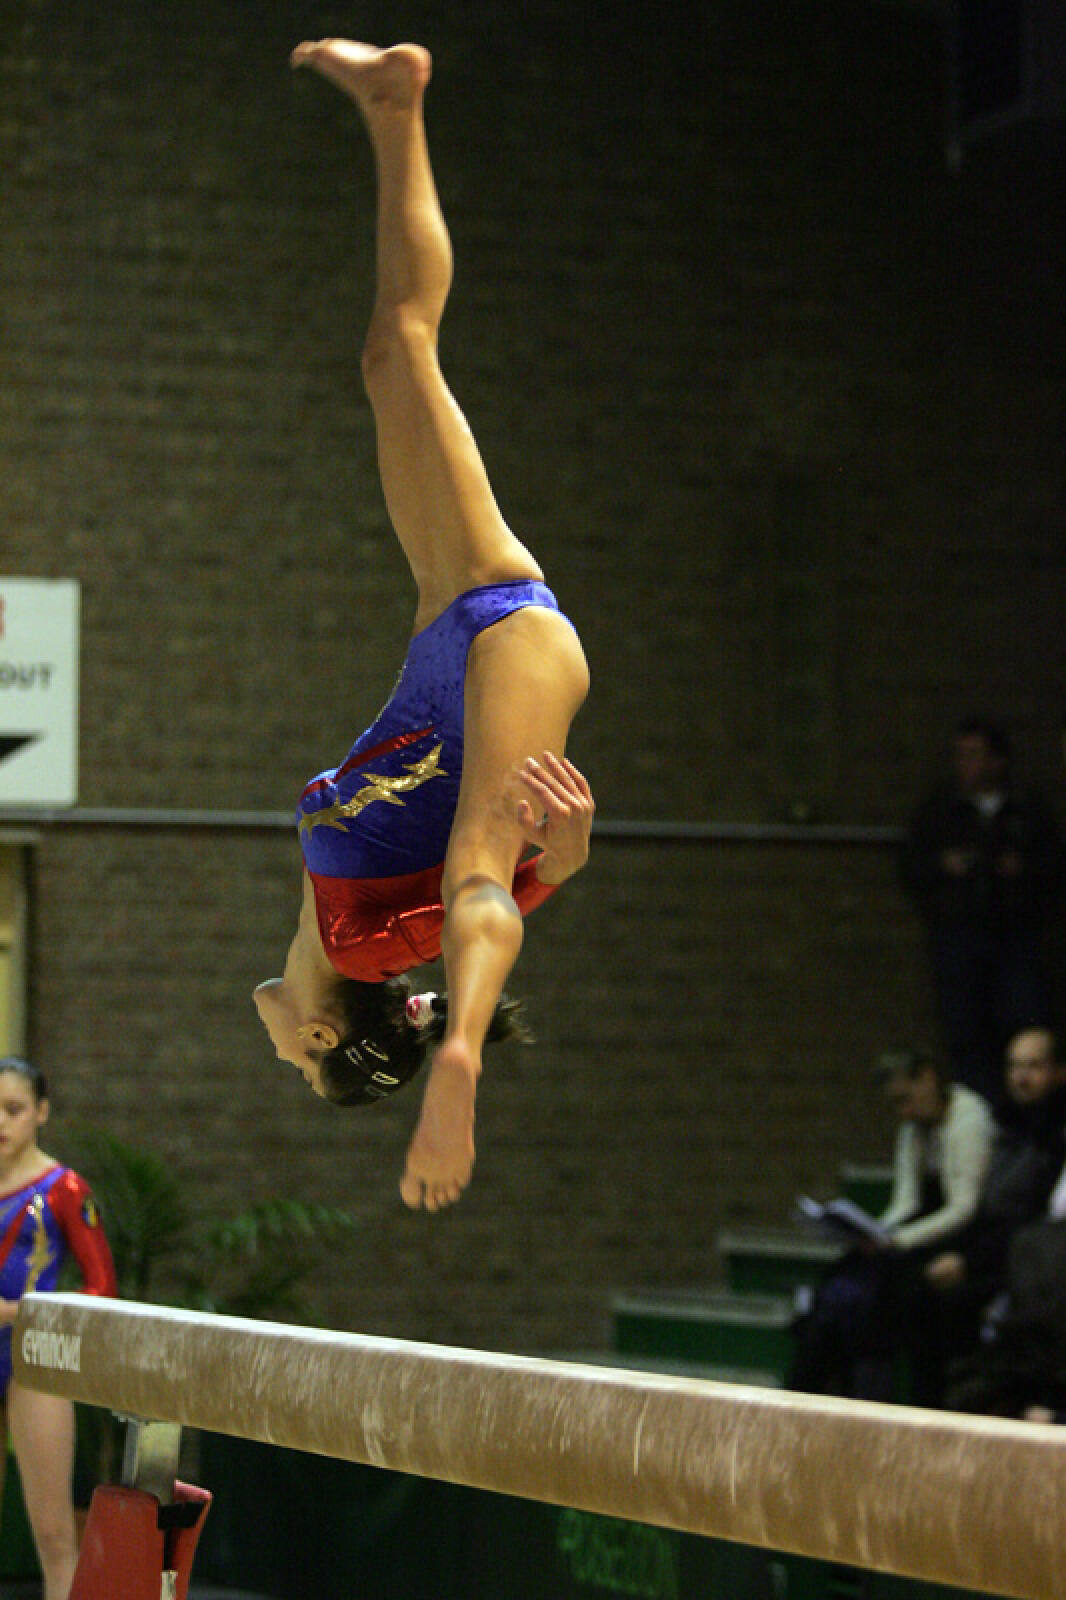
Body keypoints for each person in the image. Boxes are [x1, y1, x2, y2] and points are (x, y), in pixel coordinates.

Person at [253, 41, 593, 1215]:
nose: (279, 1052)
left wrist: (561, 862)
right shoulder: (370, 948)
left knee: (394, 351)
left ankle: (393, 106)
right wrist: (454, 1047)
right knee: (478, 866)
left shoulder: (336, 921)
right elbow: (480, 895)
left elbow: (523, 875)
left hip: (455, 626)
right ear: (323, 1037)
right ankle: (461, 1070)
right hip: (508, 649)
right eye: (301, 1069)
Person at [789, 1048, 995, 1404]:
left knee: (887, 1295)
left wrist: (897, 1241)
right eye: (896, 1103)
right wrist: (872, 1233)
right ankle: (808, 1393)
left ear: (928, 1079)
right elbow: (905, 1202)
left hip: (964, 1238)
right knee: (840, 1279)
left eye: (906, 1099)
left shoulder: (969, 1118)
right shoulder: (912, 1130)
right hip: (918, 1232)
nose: (904, 1112)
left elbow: (963, 1207)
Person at [0, 1055, 117, 1600]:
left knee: (53, 1534)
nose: (1, 1122)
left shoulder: (65, 1189)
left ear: (41, 1112)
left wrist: (14, 1313)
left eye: (14, 1109)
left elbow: (102, 1292)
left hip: (35, 1357)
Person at [900, 716, 1059, 1108]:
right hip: (960, 936)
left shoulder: (1026, 809)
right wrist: (944, 866)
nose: (964, 765)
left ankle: (1030, 1117)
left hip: (1015, 936)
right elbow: (911, 866)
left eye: (973, 755)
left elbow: (1054, 867)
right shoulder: (941, 810)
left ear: (997, 761)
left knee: (1022, 1027)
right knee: (967, 1034)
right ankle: (980, 1111)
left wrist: (1021, 870)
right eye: (960, 755)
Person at [924, 1027, 1066, 1353]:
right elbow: (983, 1205)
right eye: (1015, 1066)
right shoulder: (1004, 1124)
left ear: (1059, 1072)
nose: (1021, 1077)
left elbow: (1035, 1220)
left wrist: (969, 1262)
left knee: (948, 1304)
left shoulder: (1055, 1137)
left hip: (1027, 1261)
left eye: (1033, 1066)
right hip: (988, 1246)